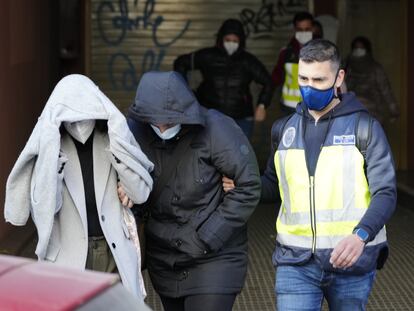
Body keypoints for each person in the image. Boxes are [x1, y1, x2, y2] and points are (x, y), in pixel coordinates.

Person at [224, 39, 397, 310]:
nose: (309, 87)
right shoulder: (284, 129)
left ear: (339, 77)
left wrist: (361, 235)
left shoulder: (365, 128)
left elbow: (385, 192)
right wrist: (243, 185)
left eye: (318, 80)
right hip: (295, 261)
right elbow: (274, 184)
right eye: (303, 78)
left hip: (351, 259)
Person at [4, 74, 154, 300]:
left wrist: (119, 148)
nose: (79, 124)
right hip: (68, 257)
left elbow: (140, 194)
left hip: (114, 251)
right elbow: (44, 210)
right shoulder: (51, 148)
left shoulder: (111, 139)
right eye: (71, 116)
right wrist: (51, 161)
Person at [125, 71, 261, 311]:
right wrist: (126, 189)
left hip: (214, 256)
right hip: (164, 258)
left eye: (169, 120)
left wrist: (206, 238)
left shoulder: (217, 129)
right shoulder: (134, 130)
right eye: (154, 120)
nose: (161, 126)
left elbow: (248, 186)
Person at [173, 18, 273, 139]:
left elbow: (268, 82)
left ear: (241, 41)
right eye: (228, 40)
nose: (231, 43)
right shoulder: (208, 56)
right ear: (221, 39)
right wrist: (184, 91)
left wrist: (262, 105)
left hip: (241, 118)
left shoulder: (248, 61)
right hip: (209, 117)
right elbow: (180, 62)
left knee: (239, 154)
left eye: (235, 40)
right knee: (209, 154)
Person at [344, 36, 400, 124]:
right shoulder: (346, 67)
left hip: (372, 114)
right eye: (356, 48)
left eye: (361, 48)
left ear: (367, 49)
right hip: (350, 113)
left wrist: (394, 110)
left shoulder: (376, 68)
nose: (358, 50)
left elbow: (386, 90)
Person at [271, 11, 314, 114]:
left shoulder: (323, 52)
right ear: (295, 30)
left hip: (314, 108)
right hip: (289, 109)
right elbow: (275, 77)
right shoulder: (286, 52)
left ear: (312, 29)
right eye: (300, 30)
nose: (303, 33)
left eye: (307, 29)